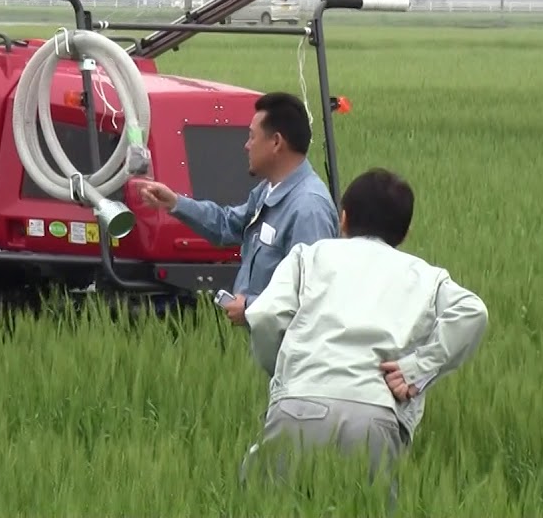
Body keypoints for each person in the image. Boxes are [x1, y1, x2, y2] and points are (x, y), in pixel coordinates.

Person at [240, 168, 489, 494]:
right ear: (406, 233)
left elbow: (265, 316)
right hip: (375, 414)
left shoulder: (309, 257)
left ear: (343, 219)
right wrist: (418, 369)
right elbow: (473, 312)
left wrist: (287, 373)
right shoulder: (425, 275)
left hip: (297, 406)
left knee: (265, 501)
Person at [136, 91, 338, 325]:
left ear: (276, 142)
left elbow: (309, 296)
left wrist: (250, 308)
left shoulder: (308, 209)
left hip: (293, 354)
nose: (246, 146)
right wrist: (175, 203)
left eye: (252, 137)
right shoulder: (267, 190)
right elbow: (226, 225)